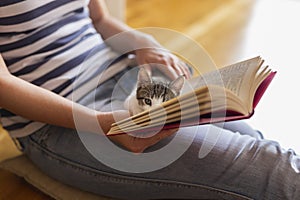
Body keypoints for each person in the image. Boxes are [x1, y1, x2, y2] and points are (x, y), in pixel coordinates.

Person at [0, 0, 299, 199]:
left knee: (256, 143)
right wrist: (101, 124)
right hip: (59, 120)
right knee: (270, 168)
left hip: (126, 81)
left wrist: (145, 45)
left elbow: (99, 19)